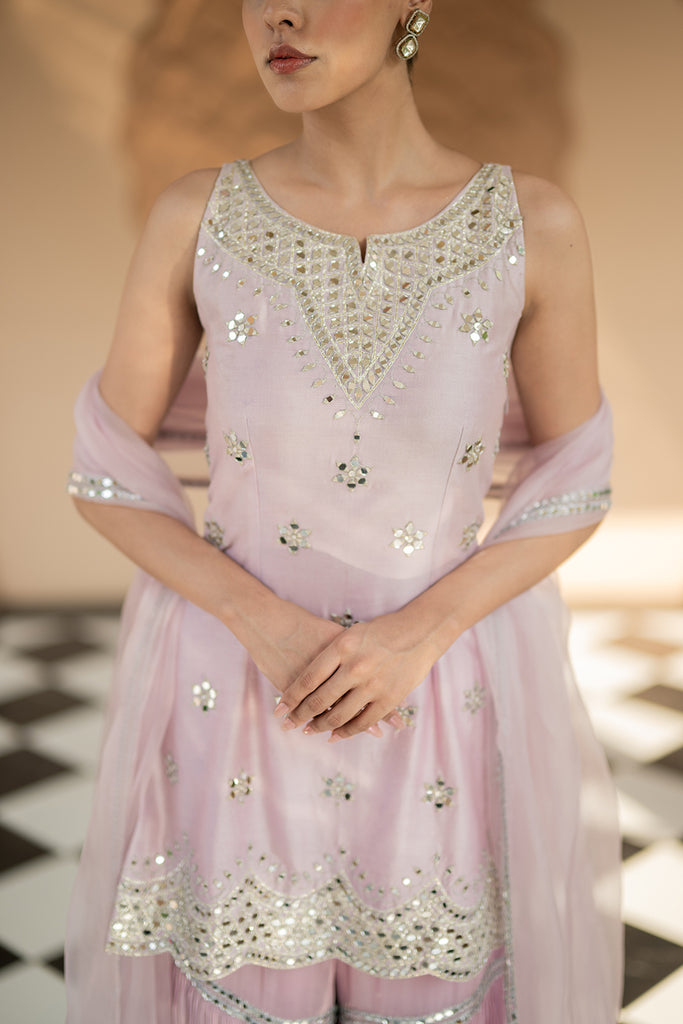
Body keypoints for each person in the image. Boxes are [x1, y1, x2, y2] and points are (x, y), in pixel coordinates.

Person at [65, 2, 623, 1022]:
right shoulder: (199, 217)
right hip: (236, 692)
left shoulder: (528, 224)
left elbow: (572, 475)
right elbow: (105, 467)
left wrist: (418, 635)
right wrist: (264, 624)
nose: (280, 13)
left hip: (434, 697)